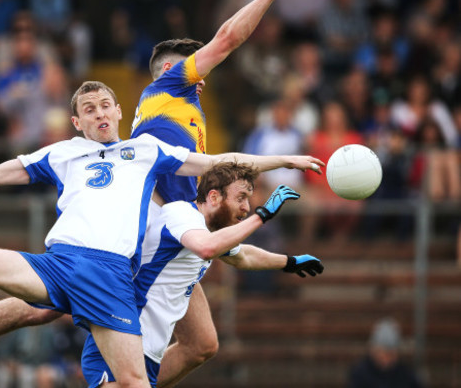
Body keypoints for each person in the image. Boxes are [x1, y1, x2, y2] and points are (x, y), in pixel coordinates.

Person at [0, 80, 324, 388]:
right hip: (60, 260)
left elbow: (215, 162)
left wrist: (285, 161)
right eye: (89, 109)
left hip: (110, 275)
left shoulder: (146, 150)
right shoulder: (64, 153)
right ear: (77, 122)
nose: (100, 114)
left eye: (106, 105)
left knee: (134, 377)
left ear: (120, 111)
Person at [80, 161, 324, 387]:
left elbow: (243, 256)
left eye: (249, 200)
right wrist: (263, 215)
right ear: (214, 197)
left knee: (203, 346)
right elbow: (207, 248)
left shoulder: (208, 231)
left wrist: (289, 262)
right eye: (241, 198)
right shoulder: (182, 214)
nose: (246, 208)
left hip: (147, 353)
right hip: (120, 342)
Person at [347, 317, 423, 388]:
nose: (386, 359)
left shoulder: (405, 374)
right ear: (374, 351)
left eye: (391, 354)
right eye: (383, 353)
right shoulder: (360, 374)